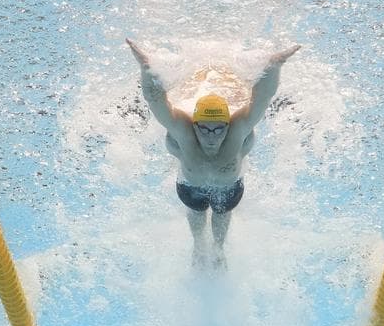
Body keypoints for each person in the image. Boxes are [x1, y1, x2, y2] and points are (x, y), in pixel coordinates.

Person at [126, 39, 300, 268]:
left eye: (219, 128)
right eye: (204, 128)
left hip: (229, 187)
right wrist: (147, 67)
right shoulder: (182, 131)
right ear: (194, 124)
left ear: (228, 124)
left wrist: (274, 65)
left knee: (221, 213)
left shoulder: (239, 129)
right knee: (197, 213)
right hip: (190, 188)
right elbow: (156, 100)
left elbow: (262, 98)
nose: (211, 135)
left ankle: (218, 250)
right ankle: (198, 245)